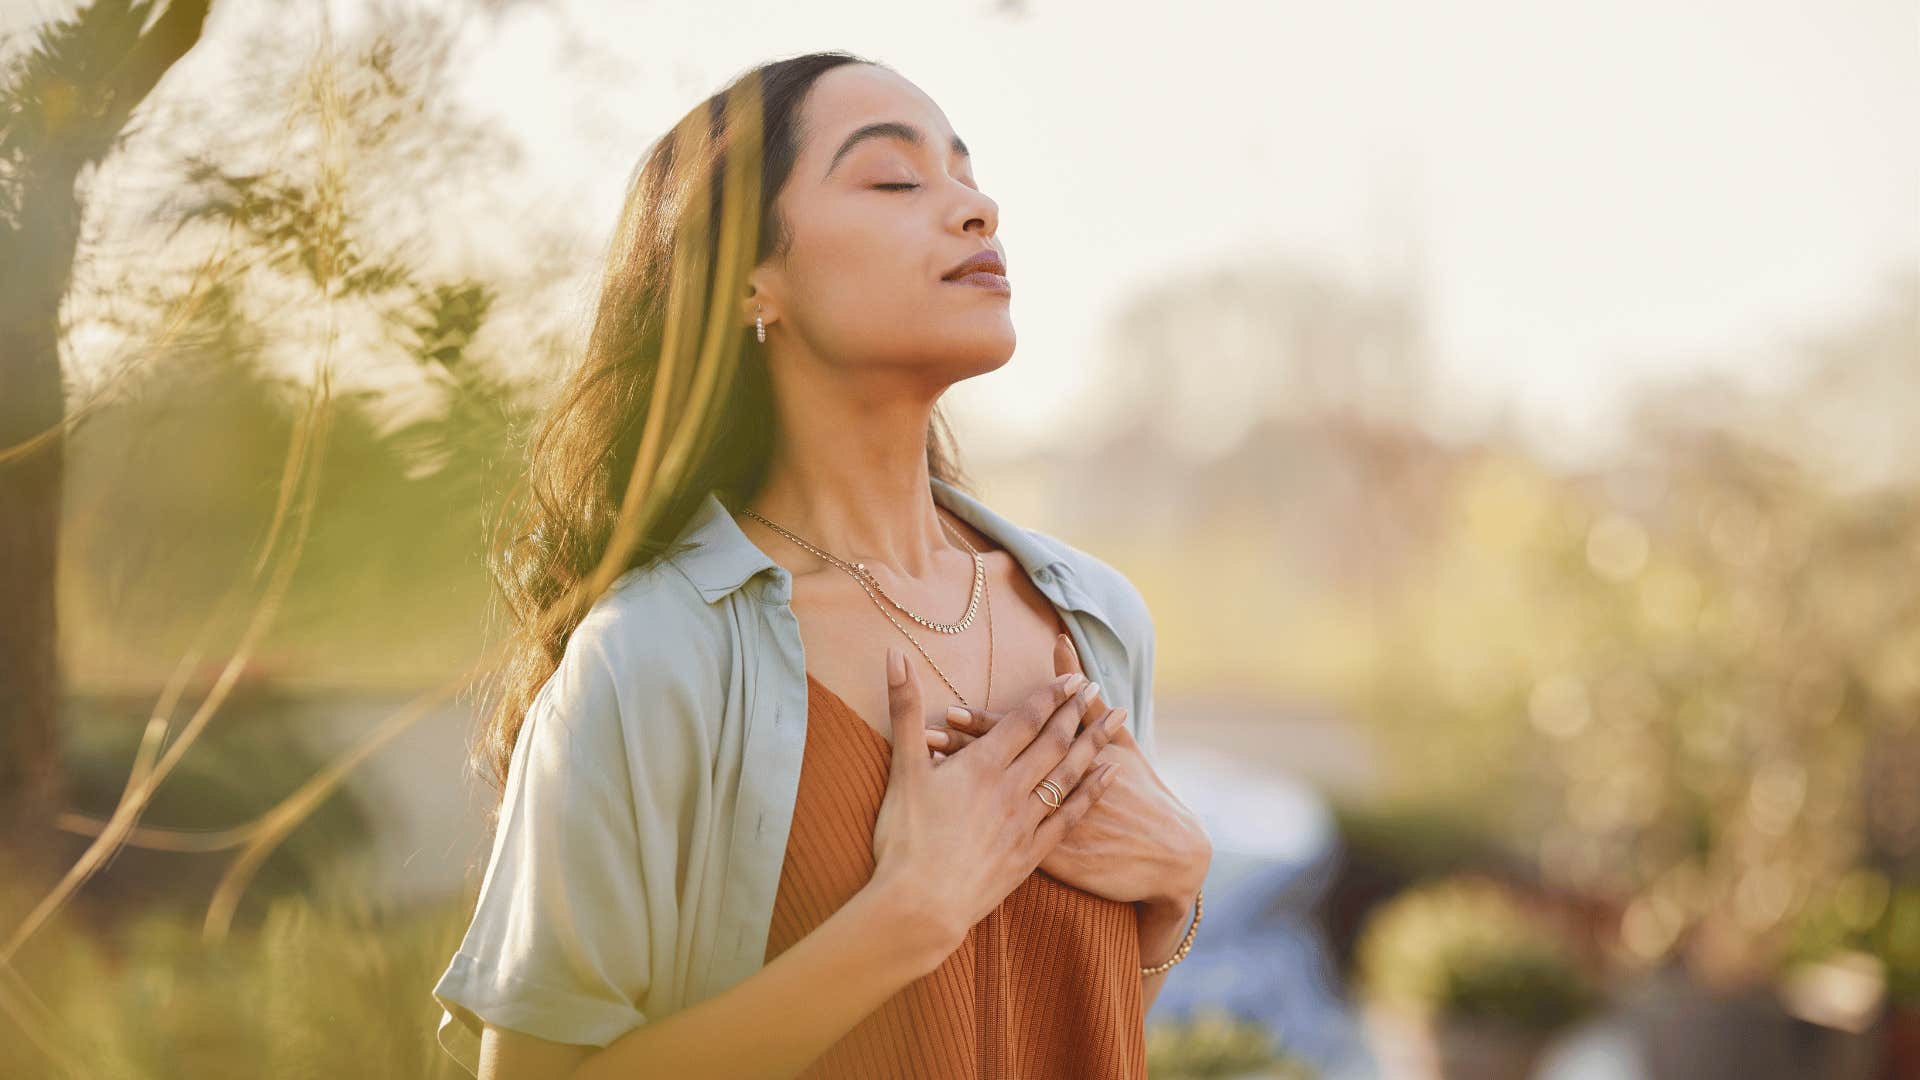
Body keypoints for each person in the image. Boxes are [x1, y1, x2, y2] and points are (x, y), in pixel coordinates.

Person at [430, 49, 1212, 1079]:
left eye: (968, 176)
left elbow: (1065, 1017)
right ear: (753, 280)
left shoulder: (1100, 620)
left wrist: (1173, 896)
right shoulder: (652, 657)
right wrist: (904, 918)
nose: (976, 210)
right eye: (895, 179)